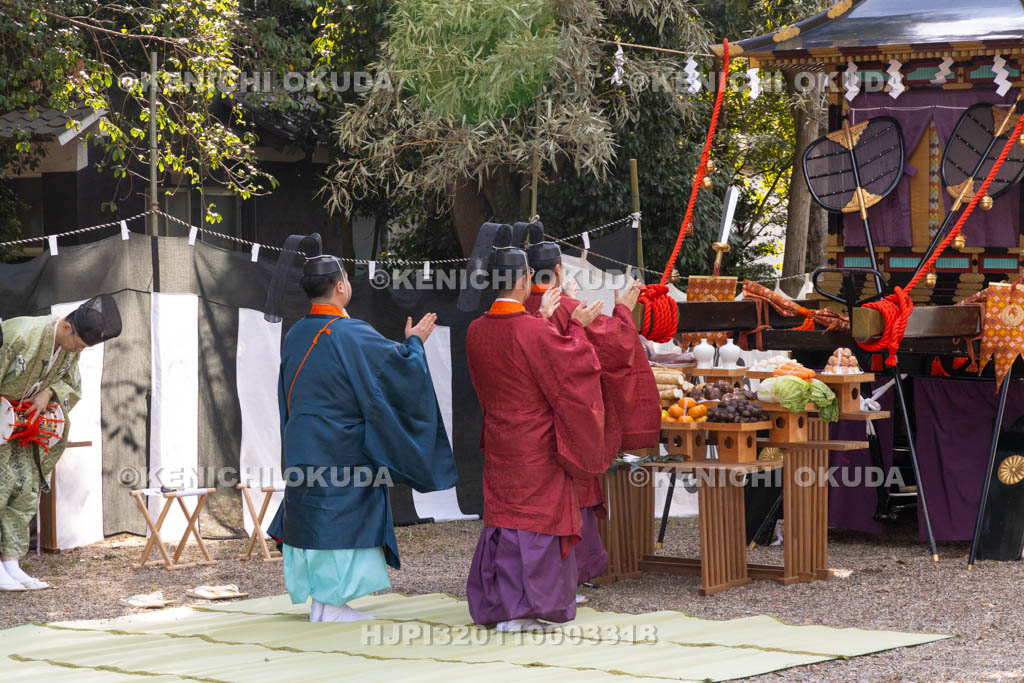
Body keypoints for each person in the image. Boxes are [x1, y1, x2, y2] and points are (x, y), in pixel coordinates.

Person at [265, 235, 457, 623]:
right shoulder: (351, 333)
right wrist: (415, 343)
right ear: (340, 287)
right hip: (342, 446)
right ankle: (333, 605)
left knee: (315, 515)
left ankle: (322, 601)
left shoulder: (297, 332)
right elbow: (399, 367)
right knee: (344, 516)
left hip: (303, 443)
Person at [462, 223, 608, 632]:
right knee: (536, 522)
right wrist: (575, 325)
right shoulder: (532, 330)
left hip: (499, 438)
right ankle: (526, 610)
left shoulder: (476, 330)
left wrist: (545, 321)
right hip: (535, 443)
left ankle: (501, 605)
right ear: (526, 279)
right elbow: (573, 369)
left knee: (505, 520)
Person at [522, 223, 660, 592]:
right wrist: (625, 312)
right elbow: (615, 347)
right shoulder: (567, 307)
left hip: (522, 429)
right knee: (571, 493)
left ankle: (529, 577)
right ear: (560, 271)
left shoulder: (514, 309)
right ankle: (572, 574)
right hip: (566, 424)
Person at [0, 295, 122, 591]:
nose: (79, 351)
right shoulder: (20, 335)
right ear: (67, 327)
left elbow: (71, 384)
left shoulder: (69, 349)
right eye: (79, 344)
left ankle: (10, 563)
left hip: (27, 425)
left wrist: (49, 394)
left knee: (24, 488)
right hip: (2, 416)